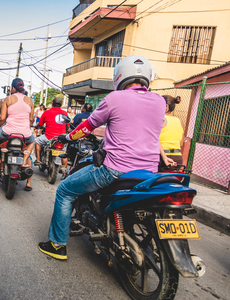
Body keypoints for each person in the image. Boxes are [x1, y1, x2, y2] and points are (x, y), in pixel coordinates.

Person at [38, 55, 173, 260]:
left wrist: (67, 137)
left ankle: (57, 245)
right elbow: (149, 126)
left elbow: (87, 127)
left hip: (115, 170)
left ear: (120, 76)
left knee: (65, 190)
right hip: (148, 173)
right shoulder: (159, 101)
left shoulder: (114, 99)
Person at [0, 78, 35, 190]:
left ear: (12, 88)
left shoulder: (8, 99)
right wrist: (26, 127)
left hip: (8, 132)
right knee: (32, 140)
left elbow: (1, 118)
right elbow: (31, 120)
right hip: (24, 135)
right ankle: (25, 160)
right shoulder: (30, 101)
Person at [34, 97, 68, 170]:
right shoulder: (64, 113)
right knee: (64, 152)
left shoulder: (46, 112)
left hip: (49, 137)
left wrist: (36, 126)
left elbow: (40, 124)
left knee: (37, 141)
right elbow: (67, 127)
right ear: (61, 105)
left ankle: (38, 159)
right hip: (61, 138)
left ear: (52, 104)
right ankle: (65, 171)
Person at [159, 95, 184, 170]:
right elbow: (181, 143)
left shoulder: (161, 119)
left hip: (162, 157)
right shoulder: (180, 121)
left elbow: (154, 139)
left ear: (166, 107)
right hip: (178, 158)